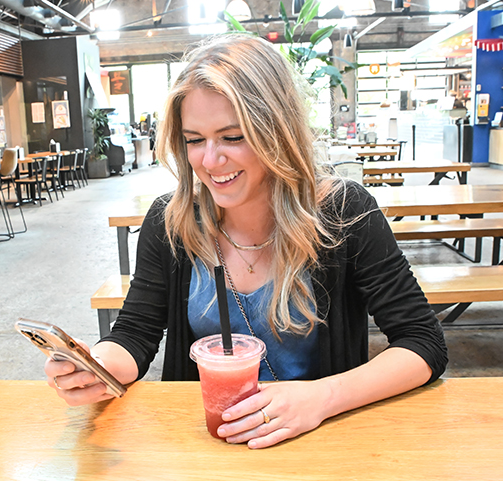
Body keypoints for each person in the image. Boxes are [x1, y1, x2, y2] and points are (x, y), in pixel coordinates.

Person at [43, 34, 447, 449]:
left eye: (233, 137)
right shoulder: (172, 223)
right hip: (211, 446)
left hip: (322, 441)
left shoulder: (344, 213)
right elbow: (135, 333)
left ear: (278, 130)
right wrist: (96, 367)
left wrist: (323, 398)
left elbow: (423, 342)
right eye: (194, 139)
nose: (210, 160)